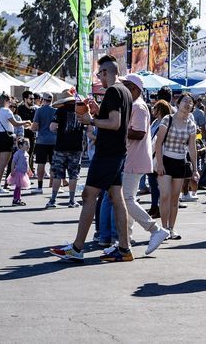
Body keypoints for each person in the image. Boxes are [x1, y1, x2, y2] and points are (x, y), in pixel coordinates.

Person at [50, 53, 133, 263]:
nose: (99, 78)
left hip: (108, 153)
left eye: (99, 74)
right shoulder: (125, 91)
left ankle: (77, 247)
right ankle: (124, 249)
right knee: (117, 198)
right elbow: (117, 122)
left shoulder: (113, 91)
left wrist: (90, 120)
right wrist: (97, 112)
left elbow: (114, 123)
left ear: (105, 72)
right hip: (117, 152)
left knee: (88, 196)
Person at [120, 74, 171, 254]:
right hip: (135, 158)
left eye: (125, 85)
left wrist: (118, 128)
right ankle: (125, 239)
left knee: (127, 199)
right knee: (128, 199)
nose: (121, 88)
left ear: (134, 89)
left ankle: (155, 230)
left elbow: (139, 133)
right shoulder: (135, 105)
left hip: (135, 158)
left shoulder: (138, 107)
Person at [153, 92, 199, 240]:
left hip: (180, 162)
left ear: (192, 107)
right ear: (178, 104)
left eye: (190, 102)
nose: (187, 104)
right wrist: (159, 164)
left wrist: (195, 169)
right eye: (184, 101)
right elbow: (159, 143)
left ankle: (171, 228)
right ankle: (164, 228)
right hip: (165, 160)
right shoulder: (168, 119)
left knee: (175, 198)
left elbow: (192, 148)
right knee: (165, 195)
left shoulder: (191, 125)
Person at [46, 90, 83, 209]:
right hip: (76, 147)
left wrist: (60, 132)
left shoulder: (60, 110)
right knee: (73, 174)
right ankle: (72, 200)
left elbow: (52, 127)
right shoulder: (81, 110)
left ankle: (52, 200)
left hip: (61, 146)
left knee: (58, 174)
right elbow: (89, 128)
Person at [0, 94, 30, 187]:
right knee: (2, 165)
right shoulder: (6, 111)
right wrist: (26, 121)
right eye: (9, 102)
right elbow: (15, 123)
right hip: (5, 137)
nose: (10, 104)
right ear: (6, 101)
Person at [147, 99, 173, 219]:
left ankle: (158, 207)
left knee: (159, 185)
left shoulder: (165, 122)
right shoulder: (154, 122)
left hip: (160, 156)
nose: (153, 110)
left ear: (160, 110)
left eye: (155, 108)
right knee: (152, 183)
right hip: (152, 155)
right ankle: (154, 206)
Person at [31, 91, 57, 193]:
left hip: (42, 140)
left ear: (43, 99)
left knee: (41, 163)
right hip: (54, 140)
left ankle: (40, 186)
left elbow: (34, 127)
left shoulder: (39, 111)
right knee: (53, 163)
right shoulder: (56, 110)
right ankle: (52, 185)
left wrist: (34, 129)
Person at [8, 138, 33, 206]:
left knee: (19, 187)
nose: (28, 146)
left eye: (29, 144)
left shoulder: (26, 154)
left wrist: (29, 170)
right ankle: (15, 199)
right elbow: (13, 162)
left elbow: (27, 163)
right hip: (18, 172)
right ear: (20, 146)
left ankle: (18, 199)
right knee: (18, 187)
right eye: (26, 144)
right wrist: (12, 170)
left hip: (23, 173)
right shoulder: (18, 153)